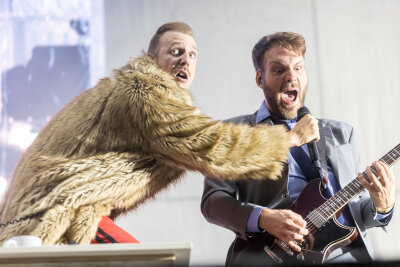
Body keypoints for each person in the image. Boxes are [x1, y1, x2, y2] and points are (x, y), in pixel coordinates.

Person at [0, 24, 318, 246]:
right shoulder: (145, 90)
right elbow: (212, 147)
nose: (185, 60)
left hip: (56, 209)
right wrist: (289, 139)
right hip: (57, 211)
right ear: (152, 60)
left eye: (192, 55)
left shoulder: (128, 92)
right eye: (175, 51)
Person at [201, 32, 395, 265]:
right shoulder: (233, 132)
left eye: (298, 68)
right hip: (273, 255)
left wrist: (382, 207)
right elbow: (213, 201)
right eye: (279, 69)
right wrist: (264, 218)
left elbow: (358, 211)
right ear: (260, 79)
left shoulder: (342, 133)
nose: (292, 76)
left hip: (344, 254)